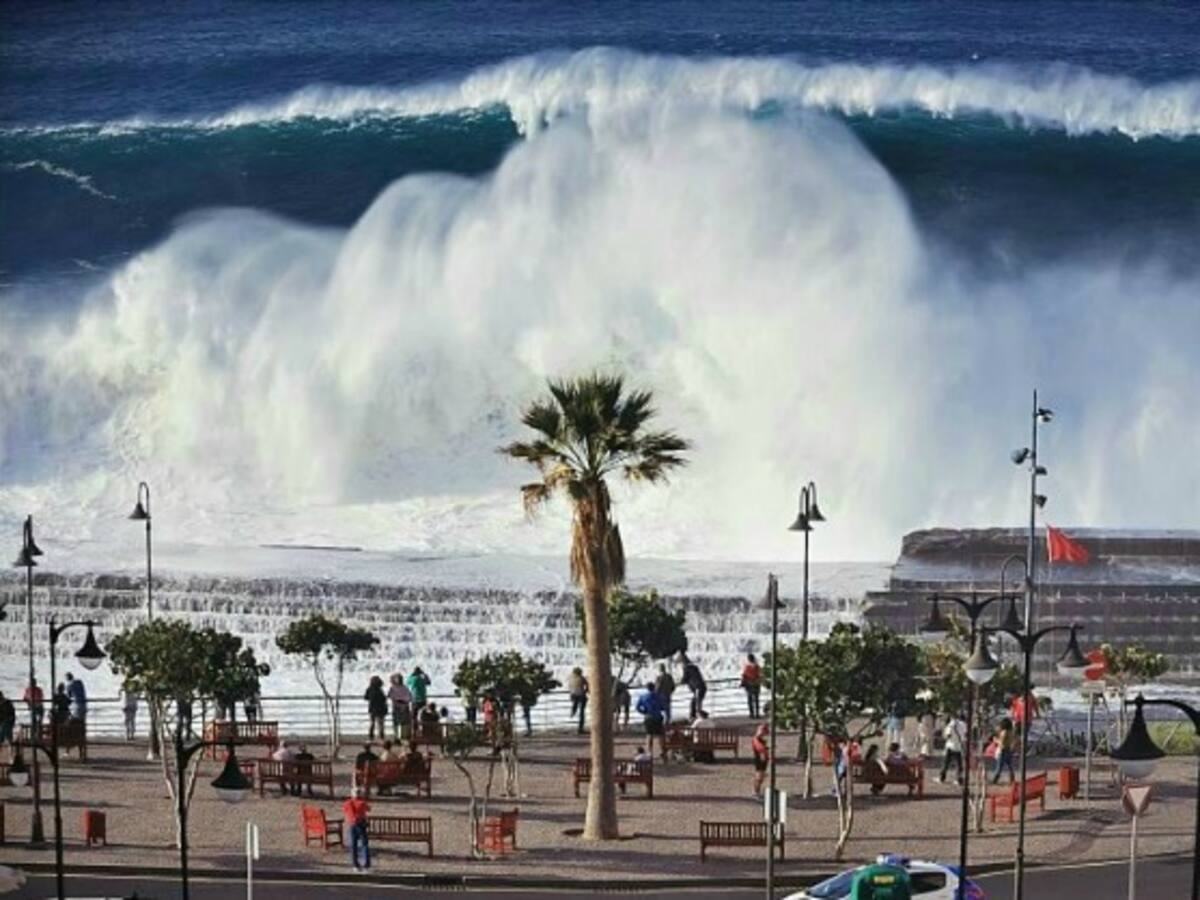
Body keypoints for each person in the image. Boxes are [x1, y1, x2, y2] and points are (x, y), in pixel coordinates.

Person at [635, 682, 667, 761]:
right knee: (660, 735)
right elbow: (664, 706)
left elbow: (637, 707)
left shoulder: (643, 697)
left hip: (648, 717)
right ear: (654, 688)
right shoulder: (659, 696)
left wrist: (644, 711)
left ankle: (650, 753)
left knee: (649, 735)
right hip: (658, 717)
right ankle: (663, 752)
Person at [342, 787, 371, 872]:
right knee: (364, 845)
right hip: (361, 825)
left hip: (352, 825)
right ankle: (366, 865)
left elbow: (344, 810)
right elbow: (369, 809)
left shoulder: (347, 803)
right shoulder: (362, 803)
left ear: (352, 794)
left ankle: (355, 865)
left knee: (353, 845)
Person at [940, 715, 965, 785]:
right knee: (959, 764)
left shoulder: (950, 725)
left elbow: (948, 736)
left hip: (950, 746)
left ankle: (942, 777)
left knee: (946, 763)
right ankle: (959, 779)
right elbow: (964, 734)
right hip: (959, 747)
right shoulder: (963, 724)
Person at [680, 654, 707, 719]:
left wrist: (680, 682)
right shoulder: (694, 667)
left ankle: (699, 717)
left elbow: (684, 679)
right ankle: (695, 716)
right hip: (701, 687)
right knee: (695, 702)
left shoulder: (686, 668)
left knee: (696, 704)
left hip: (698, 687)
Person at [388, 674, 412, 742]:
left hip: (398, 707)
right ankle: (401, 736)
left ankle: (398, 737)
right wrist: (404, 703)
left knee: (398, 723)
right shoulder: (404, 688)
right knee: (401, 723)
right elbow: (410, 697)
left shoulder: (393, 688)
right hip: (402, 707)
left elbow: (390, 696)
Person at [992, 718, 1017, 784]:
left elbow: (1001, 743)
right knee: (1009, 765)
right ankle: (1012, 778)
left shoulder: (1004, 732)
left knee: (999, 766)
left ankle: (995, 779)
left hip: (1003, 750)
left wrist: (996, 740)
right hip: (1008, 749)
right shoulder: (1011, 732)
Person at [364, 676, 387, 740]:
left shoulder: (369, 689)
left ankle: (371, 735)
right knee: (380, 723)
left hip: (372, 708)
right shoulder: (379, 690)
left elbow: (366, 697)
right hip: (380, 708)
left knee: (372, 722)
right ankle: (381, 735)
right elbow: (383, 699)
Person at [567, 667, 588, 734]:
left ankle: (573, 711)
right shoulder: (581, 678)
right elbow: (587, 685)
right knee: (582, 712)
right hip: (581, 695)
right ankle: (580, 728)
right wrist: (585, 691)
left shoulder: (570, 678)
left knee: (575, 705)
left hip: (573, 695)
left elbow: (569, 686)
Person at [751, 723, 770, 798]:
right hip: (759, 759)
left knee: (761, 776)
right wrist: (766, 749)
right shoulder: (756, 739)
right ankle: (755, 791)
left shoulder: (761, 739)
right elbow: (760, 748)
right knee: (759, 776)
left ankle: (757, 791)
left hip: (763, 759)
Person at [741, 653, 762, 719]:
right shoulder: (757, 666)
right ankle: (757, 714)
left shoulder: (747, 667)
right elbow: (760, 675)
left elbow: (744, 675)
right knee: (756, 700)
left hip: (749, 685)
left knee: (750, 700)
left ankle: (752, 714)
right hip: (756, 685)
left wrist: (743, 683)